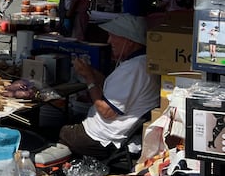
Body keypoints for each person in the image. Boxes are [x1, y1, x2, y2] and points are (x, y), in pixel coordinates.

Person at [59, 14, 158, 159]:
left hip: (106, 137)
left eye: (113, 36)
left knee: (61, 130)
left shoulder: (133, 68)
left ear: (129, 41)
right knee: (74, 119)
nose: (109, 41)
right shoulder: (142, 62)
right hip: (120, 131)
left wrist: (89, 78)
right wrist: (91, 71)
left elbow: (107, 110)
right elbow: (115, 90)